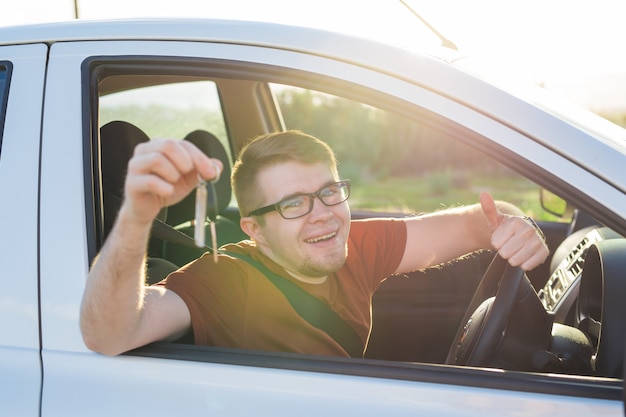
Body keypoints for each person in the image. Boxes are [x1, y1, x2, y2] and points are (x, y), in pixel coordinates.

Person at [80, 130, 549, 357]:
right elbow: (110, 334)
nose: (322, 213)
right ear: (254, 230)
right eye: (293, 204)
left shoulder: (351, 245)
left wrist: (514, 225)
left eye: (328, 191)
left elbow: (474, 223)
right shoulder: (226, 279)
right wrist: (137, 218)